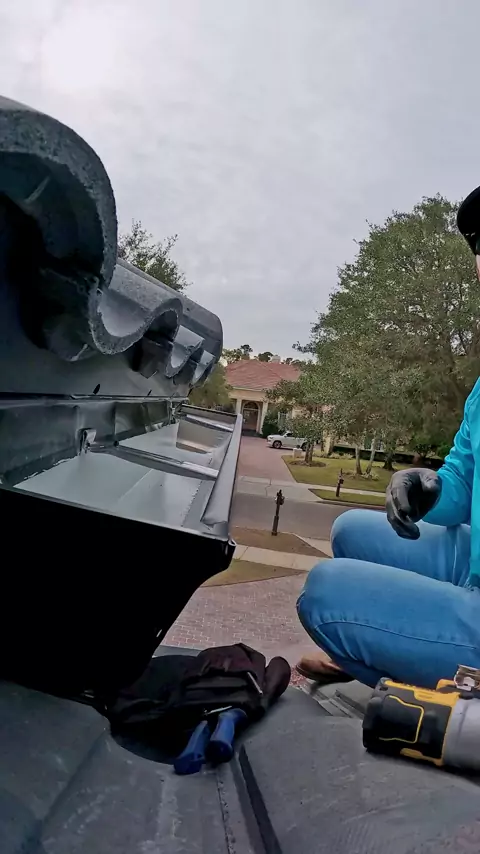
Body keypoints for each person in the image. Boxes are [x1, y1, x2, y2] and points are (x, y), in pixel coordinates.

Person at [296, 186, 480, 690]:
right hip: (473, 564)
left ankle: (418, 669)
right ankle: (391, 647)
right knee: (350, 531)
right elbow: (462, 481)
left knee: (325, 594)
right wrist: (429, 488)